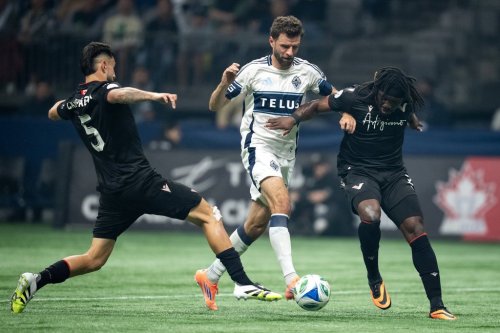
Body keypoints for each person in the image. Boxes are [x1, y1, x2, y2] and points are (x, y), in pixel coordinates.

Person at [10, 41, 281, 314]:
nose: (115, 70)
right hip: (139, 181)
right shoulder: (107, 90)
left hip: (112, 191)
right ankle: (240, 281)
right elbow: (119, 94)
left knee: (94, 258)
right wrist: (153, 96)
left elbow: (52, 112)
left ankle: (36, 279)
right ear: (103, 65)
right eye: (113, 65)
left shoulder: (74, 101)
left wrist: (71, 102)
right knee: (208, 214)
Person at [266, 67, 456, 320]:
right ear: (378, 91)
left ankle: (437, 305)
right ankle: (374, 277)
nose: (388, 105)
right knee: (371, 213)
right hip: (357, 171)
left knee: (415, 226)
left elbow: (407, 112)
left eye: (395, 102)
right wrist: (293, 118)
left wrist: (412, 121)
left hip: (394, 172)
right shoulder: (354, 97)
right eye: (385, 99)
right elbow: (314, 105)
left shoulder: (404, 101)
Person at [194, 15, 355, 311]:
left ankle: (211, 275)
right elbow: (214, 105)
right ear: (271, 41)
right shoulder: (253, 71)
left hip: (286, 154)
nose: (289, 52)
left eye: (294, 46)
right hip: (258, 147)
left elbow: (335, 94)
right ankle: (292, 278)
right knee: (283, 203)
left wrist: (345, 112)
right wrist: (222, 84)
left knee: (255, 225)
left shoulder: (307, 72)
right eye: (284, 46)